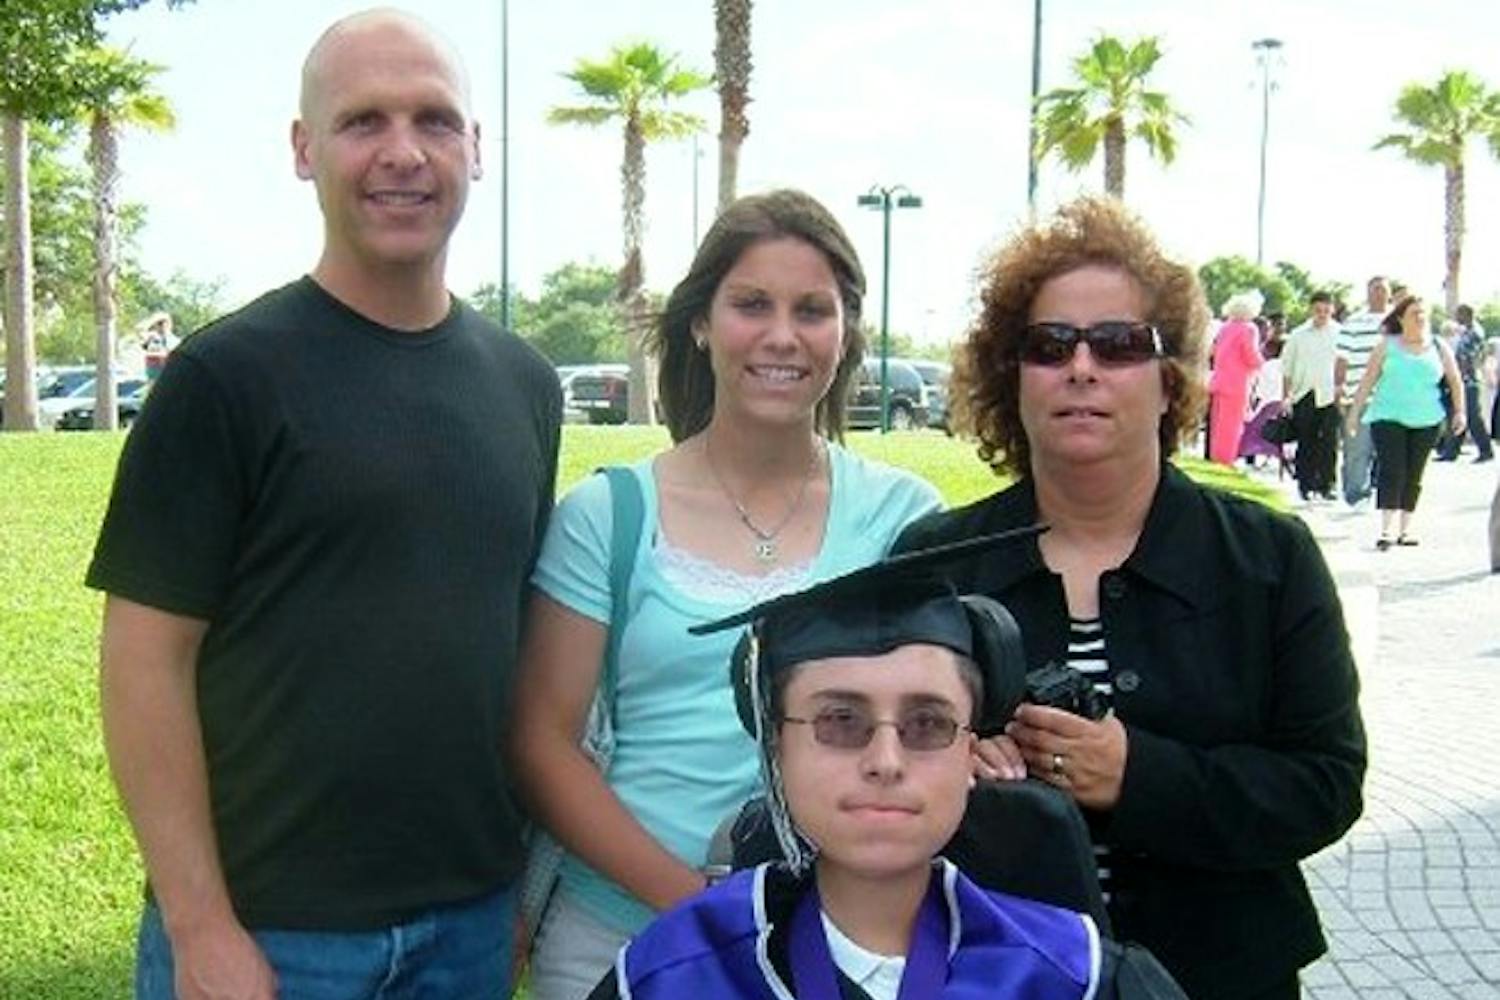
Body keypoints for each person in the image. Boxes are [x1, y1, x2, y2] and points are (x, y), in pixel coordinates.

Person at [87, 10, 561, 998]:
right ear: (305, 150)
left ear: (477, 147)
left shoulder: (525, 385)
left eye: (435, 120)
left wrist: (510, 880)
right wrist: (200, 924)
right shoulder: (224, 378)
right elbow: (144, 660)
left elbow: (504, 646)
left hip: (467, 926)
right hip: (271, 935)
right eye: (362, 121)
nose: (404, 153)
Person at [893, 196, 1368, 1000]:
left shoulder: (1266, 558)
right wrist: (952, 768)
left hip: (1224, 974)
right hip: (988, 976)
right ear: (1013, 376)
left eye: (1117, 344)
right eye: (1049, 345)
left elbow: (1326, 783)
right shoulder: (934, 562)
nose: (1082, 367)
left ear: (1169, 377)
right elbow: (878, 767)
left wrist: (1135, 776)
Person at [510, 189, 942, 999]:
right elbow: (542, 742)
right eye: (751, 305)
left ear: (845, 333)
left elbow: (932, 729)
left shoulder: (902, 518)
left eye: (812, 310)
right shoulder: (609, 515)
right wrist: (705, 909)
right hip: (621, 934)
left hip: (843, 947)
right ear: (703, 322)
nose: (782, 336)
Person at [587, 535, 1191, 999]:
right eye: (840, 722)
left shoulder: (1075, 979)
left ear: (969, 749)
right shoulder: (674, 976)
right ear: (776, 748)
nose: (885, 761)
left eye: (927, 724)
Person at [1346, 293, 1466, 549]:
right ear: (1401, 318)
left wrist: (1460, 412)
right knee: (1392, 470)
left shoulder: (1438, 346)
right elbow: (1367, 381)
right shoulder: (1386, 346)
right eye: (1414, 314)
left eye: (1423, 314)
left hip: (1427, 419)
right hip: (1388, 416)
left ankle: (1406, 528)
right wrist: (1354, 414)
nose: (1420, 318)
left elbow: (1455, 380)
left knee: (1415, 473)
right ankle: (1386, 530)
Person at [1282, 290, 1344, 502]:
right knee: (1306, 441)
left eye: (1326, 310)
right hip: (1304, 393)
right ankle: (1305, 484)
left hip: (1330, 393)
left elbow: (1345, 363)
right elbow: (1287, 368)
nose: (1322, 314)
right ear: (1311, 309)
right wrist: (1286, 397)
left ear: (1332, 310)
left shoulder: (1340, 333)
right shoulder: (1298, 335)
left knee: (1329, 441)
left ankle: (1327, 485)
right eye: (1318, 310)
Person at [1337, 276, 1392, 504]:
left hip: (1392, 396)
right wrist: (1338, 385)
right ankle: (1355, 492)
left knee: (1388, 450)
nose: (1378, 293)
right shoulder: (1354, 322)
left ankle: (1384, 494)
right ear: (1368, 293)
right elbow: (1342, 357)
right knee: (1357, 447)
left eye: (1383, 290)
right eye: (1375, 289)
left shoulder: (1398, 322)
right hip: (1358, 394)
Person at [1207, 290, 1263, 465]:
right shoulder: (1249, 329)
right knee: (1231, 424)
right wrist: (1261, 363)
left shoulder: (1225, 327)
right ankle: (1226, 458)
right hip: (1237, 382)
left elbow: (1214, 351)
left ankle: (1215, 455)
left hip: (1219, 380)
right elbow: (1250, 355)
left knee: (1218, 423)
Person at [1434, 304, 1493, 462]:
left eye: (1459, 314)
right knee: (1458, 415)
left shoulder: (1474, 333)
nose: (1456, 318)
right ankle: (1451, 451)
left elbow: (1469, 357)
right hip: (1463, 379)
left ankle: (1486, 450)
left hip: (1469, 380)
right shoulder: (1467, 331)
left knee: (1473, 417)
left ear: (1466, 314)